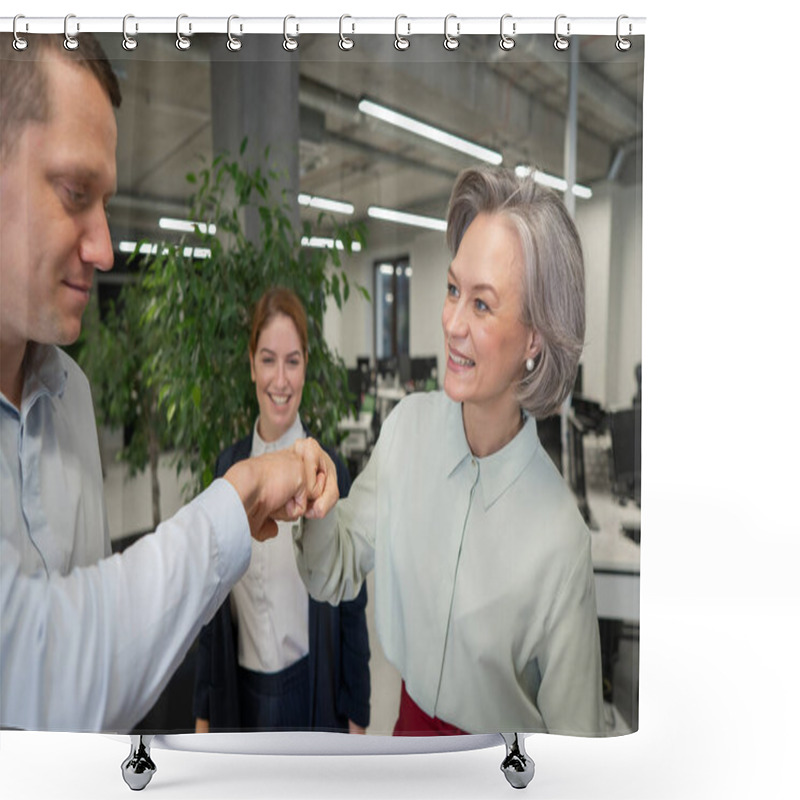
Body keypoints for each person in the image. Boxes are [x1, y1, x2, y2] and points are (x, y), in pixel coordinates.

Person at [0, 34, 338, 732]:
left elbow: (106, 658)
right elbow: (34, 677)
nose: (104, 247)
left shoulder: (71, 398)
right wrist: (238, 494)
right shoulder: (231, 465)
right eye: (73, 193)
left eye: (105, 202)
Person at [294, 166, 604, 736]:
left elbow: (575, 752)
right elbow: (330, 571)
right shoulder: (407, 430)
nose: (452, 323)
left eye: (482, 305)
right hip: (402, 743)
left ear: (535, 338)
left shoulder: (561, 541)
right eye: (453, 289)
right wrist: (318, 502)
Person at [194, 288, 370, 734]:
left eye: (293, 361)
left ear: (306, 365)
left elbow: (351, 607)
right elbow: (210, 609)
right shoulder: (227, 470)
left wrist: (357, 715)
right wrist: (203, 711)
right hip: (241, 698)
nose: (281, 379)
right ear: (251, 363)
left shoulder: (329, 474)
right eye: (269, 359)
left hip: (313, 693)